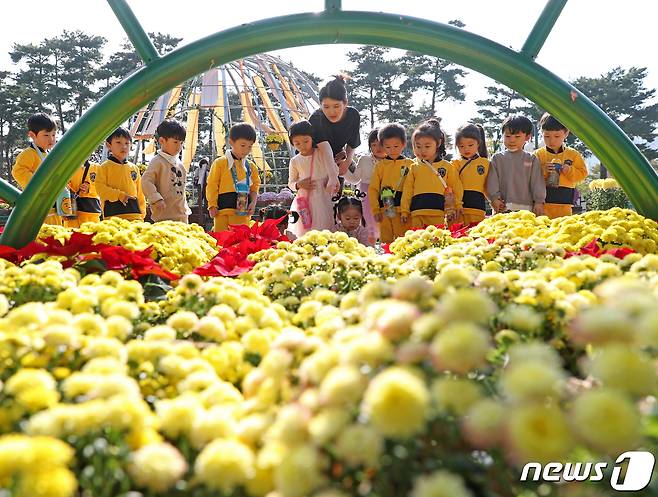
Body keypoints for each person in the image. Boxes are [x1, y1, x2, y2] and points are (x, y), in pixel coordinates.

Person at [401, 118, 464, 228]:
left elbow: (456, 187)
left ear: (438, 143)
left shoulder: (447, 167)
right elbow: (407, 191)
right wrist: (404, 210)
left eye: (427, 146)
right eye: (418, 146)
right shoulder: (414, 167)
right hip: (417, 212)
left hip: (438, 213)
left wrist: (457, 205)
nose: (422, 150)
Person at [309, 75, 361, 192]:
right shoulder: (316, 118)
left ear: (345, 103)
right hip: (314, 158)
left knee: (339, 191)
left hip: (336, 158)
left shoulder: (353, 115)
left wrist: (347, 162)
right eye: (326, 107)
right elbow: (325, 148)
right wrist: (333, 176)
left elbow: (353, 142)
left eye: (336, 106)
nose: (331, 112)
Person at [287, 120, 339, 239]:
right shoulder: (295, 161)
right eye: (297, 143)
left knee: (323, 228)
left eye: (306, 141)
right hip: (303, 201)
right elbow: (290, 182)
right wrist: (299, 184)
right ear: (292, 143)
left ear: (312, 138)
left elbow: (335, 170)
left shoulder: (321, 153)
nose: (302, 146)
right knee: (303, 231)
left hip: (322, 197)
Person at [206, 122, 260, 232]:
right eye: (243, 145)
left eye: (250, 146)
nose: (246, 150)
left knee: (241, 241)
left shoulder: (251, 167)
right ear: (231, 142)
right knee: (222, 241)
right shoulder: (220, 163)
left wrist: (253, 203)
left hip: (242, 213)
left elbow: (254, 188)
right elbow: (212, 184)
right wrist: (212, 205)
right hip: (222, 212)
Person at [486, 115, 545, 216]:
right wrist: (494, 199)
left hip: (527, 209)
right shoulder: (497, 158)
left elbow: (537, 182)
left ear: (527, 137)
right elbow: (492, 182)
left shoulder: (532, 159)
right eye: (508, 136)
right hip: (503, 207)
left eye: (517, 136)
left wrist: (539, 201)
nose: (512, 140)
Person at [535, 113, 588, 218]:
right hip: (543, 204)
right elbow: (530, 177)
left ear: (566, 133)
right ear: (541, 133)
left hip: (565, 204)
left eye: (557, 136)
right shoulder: (538, 155)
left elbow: (583, 174)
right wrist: (543, 170)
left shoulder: (573, 155)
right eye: (547, 136)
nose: (552, 140)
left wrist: (569, 170)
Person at [11, 112, 61, 225]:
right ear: (32, 135)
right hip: (37, 204)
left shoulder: (50, 154)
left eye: (54, 135)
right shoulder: (28, 154)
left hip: (52, 203)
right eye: (46, 135)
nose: (51, 139)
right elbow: (18, 171)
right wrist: (39, 185)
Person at [368, 123, 414, 243]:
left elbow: (412, 188)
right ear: (382, 146)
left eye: (396, 146)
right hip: (385, 209)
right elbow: (373, 189)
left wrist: (406, 210)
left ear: (403, 144)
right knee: (386, 240)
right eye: (387, 147)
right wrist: (375, 210)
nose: (392, 150)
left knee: (403, 240)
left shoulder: (410, 164)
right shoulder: (380, 166)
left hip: (403, 210)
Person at [142, 119, 191, 223]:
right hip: (164, 216)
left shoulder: (180, 165)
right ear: (162, 141)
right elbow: (146, 181)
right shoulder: (157, 162)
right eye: (175, 142)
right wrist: (156, 198)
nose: (179, 146)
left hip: (182, 214)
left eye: (181, 143)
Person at [94, 127, 146, 221]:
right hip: (113, 216)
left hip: (134, 215)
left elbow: (140, 193)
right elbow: (100, 188)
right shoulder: (104, 167)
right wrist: (119, 195)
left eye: (127, 143)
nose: (124, 147)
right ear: (109, 145)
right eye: (118, 142)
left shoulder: (134, 168)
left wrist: (142, 213)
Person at [344, 128, 383, 243]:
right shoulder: (364, 159)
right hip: (367, 196)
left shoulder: (393, 161)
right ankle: (369, 249)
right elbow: (355, 179)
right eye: (374, 145)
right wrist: (343, 169)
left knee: (386, 225)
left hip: (386, 196)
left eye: (381, 144)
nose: (378, 148)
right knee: (368, 225)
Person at [452, 123, 490, 224]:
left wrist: (494, 202)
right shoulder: (455, 164)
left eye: (470, 145)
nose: (466, 149)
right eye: (461, 146)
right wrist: (457, 204)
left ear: (478, 143)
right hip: (458, 209)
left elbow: (488, 187)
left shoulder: (485, 163)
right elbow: (454, 185)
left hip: (478, 207)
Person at [65, 160, 101, 228]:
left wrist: (90, 188)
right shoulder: (68, 168)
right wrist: (68, 187)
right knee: (72, 236)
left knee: (90, 237)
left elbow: (103, 188)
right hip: (72, 212)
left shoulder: (96, 167)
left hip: (91, 214)